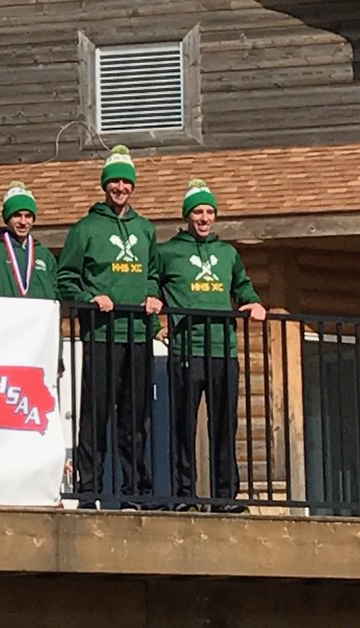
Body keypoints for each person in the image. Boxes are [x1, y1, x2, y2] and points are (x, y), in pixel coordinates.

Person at [57, 145, 162, 508]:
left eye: (126, 182)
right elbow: (66, 278)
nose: (120, 188)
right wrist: (90, 298)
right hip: (102, 336)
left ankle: (135, 492)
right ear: (105, 185)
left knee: (135, 421)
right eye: (114, 181)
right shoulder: (85, 229)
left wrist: (152, 295)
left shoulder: (146, 230)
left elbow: (154, 275)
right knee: (94, 417)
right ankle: (90, 491)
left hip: (138, 336)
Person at [158, 179, 266, 513]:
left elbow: (242, 286)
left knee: (223, 426)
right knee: (182, 426)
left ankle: (224, 497)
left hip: (223, 349)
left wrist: (254, 302)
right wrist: (156, 326)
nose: (204, 218)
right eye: (198, 212)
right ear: (187, 216)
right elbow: (149, 288)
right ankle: (183, 495)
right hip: (186, 348)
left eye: (209, 212)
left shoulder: (227, 253)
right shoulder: (167, 252)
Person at [0, 181, 58, 299]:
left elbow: (56, 296)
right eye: (17, 215)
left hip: (38, 317)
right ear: (7, 218)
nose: (23, 222)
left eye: (28, 216)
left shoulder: (45, 256)